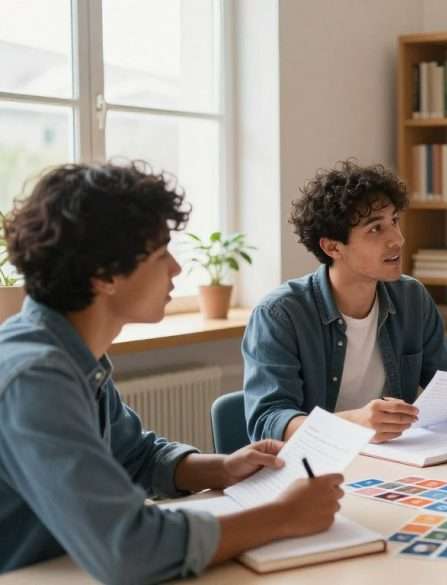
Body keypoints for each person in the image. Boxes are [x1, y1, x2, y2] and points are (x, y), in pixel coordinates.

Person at [0, 162, 344, 584]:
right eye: (161, 253)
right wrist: (284, 516)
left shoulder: (71, 353)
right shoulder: (35, 378)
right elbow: (128, 549)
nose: (177, 269)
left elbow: (132, 455)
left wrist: (221, 468)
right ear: (105, 274)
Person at [243, 161, 447, 444]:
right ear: (332, 247)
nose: (398, 239)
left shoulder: (411, 298)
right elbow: (268, 421)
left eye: (394, 221)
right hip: (315, 468)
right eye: (375, 229)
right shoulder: (280, 314)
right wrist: (353, 423)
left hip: (392, 463)